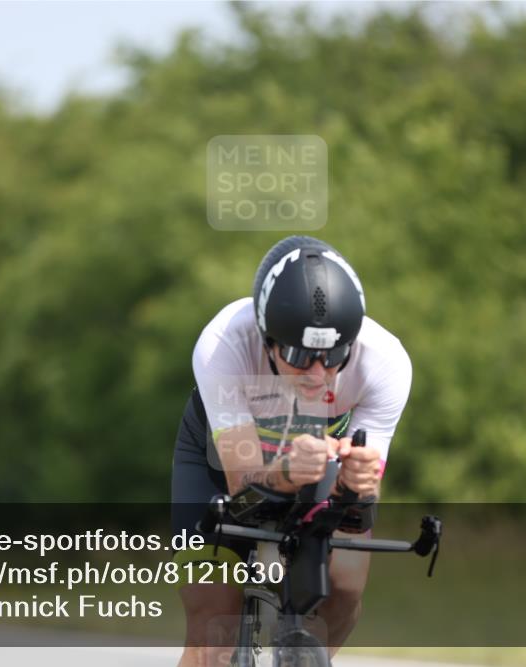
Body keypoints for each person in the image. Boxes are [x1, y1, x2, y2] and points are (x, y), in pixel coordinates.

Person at [170, 235, 413, 666]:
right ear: (267, 339)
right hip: (220, 465)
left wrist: (357, 484)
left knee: (345, 587)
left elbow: (359, 509)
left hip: (317, 469)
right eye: (299, 355)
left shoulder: (385, 362)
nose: (317, 373)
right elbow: (242, 487)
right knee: (213, 626)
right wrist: (286, 472)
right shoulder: (224, 343)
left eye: (334, 356)